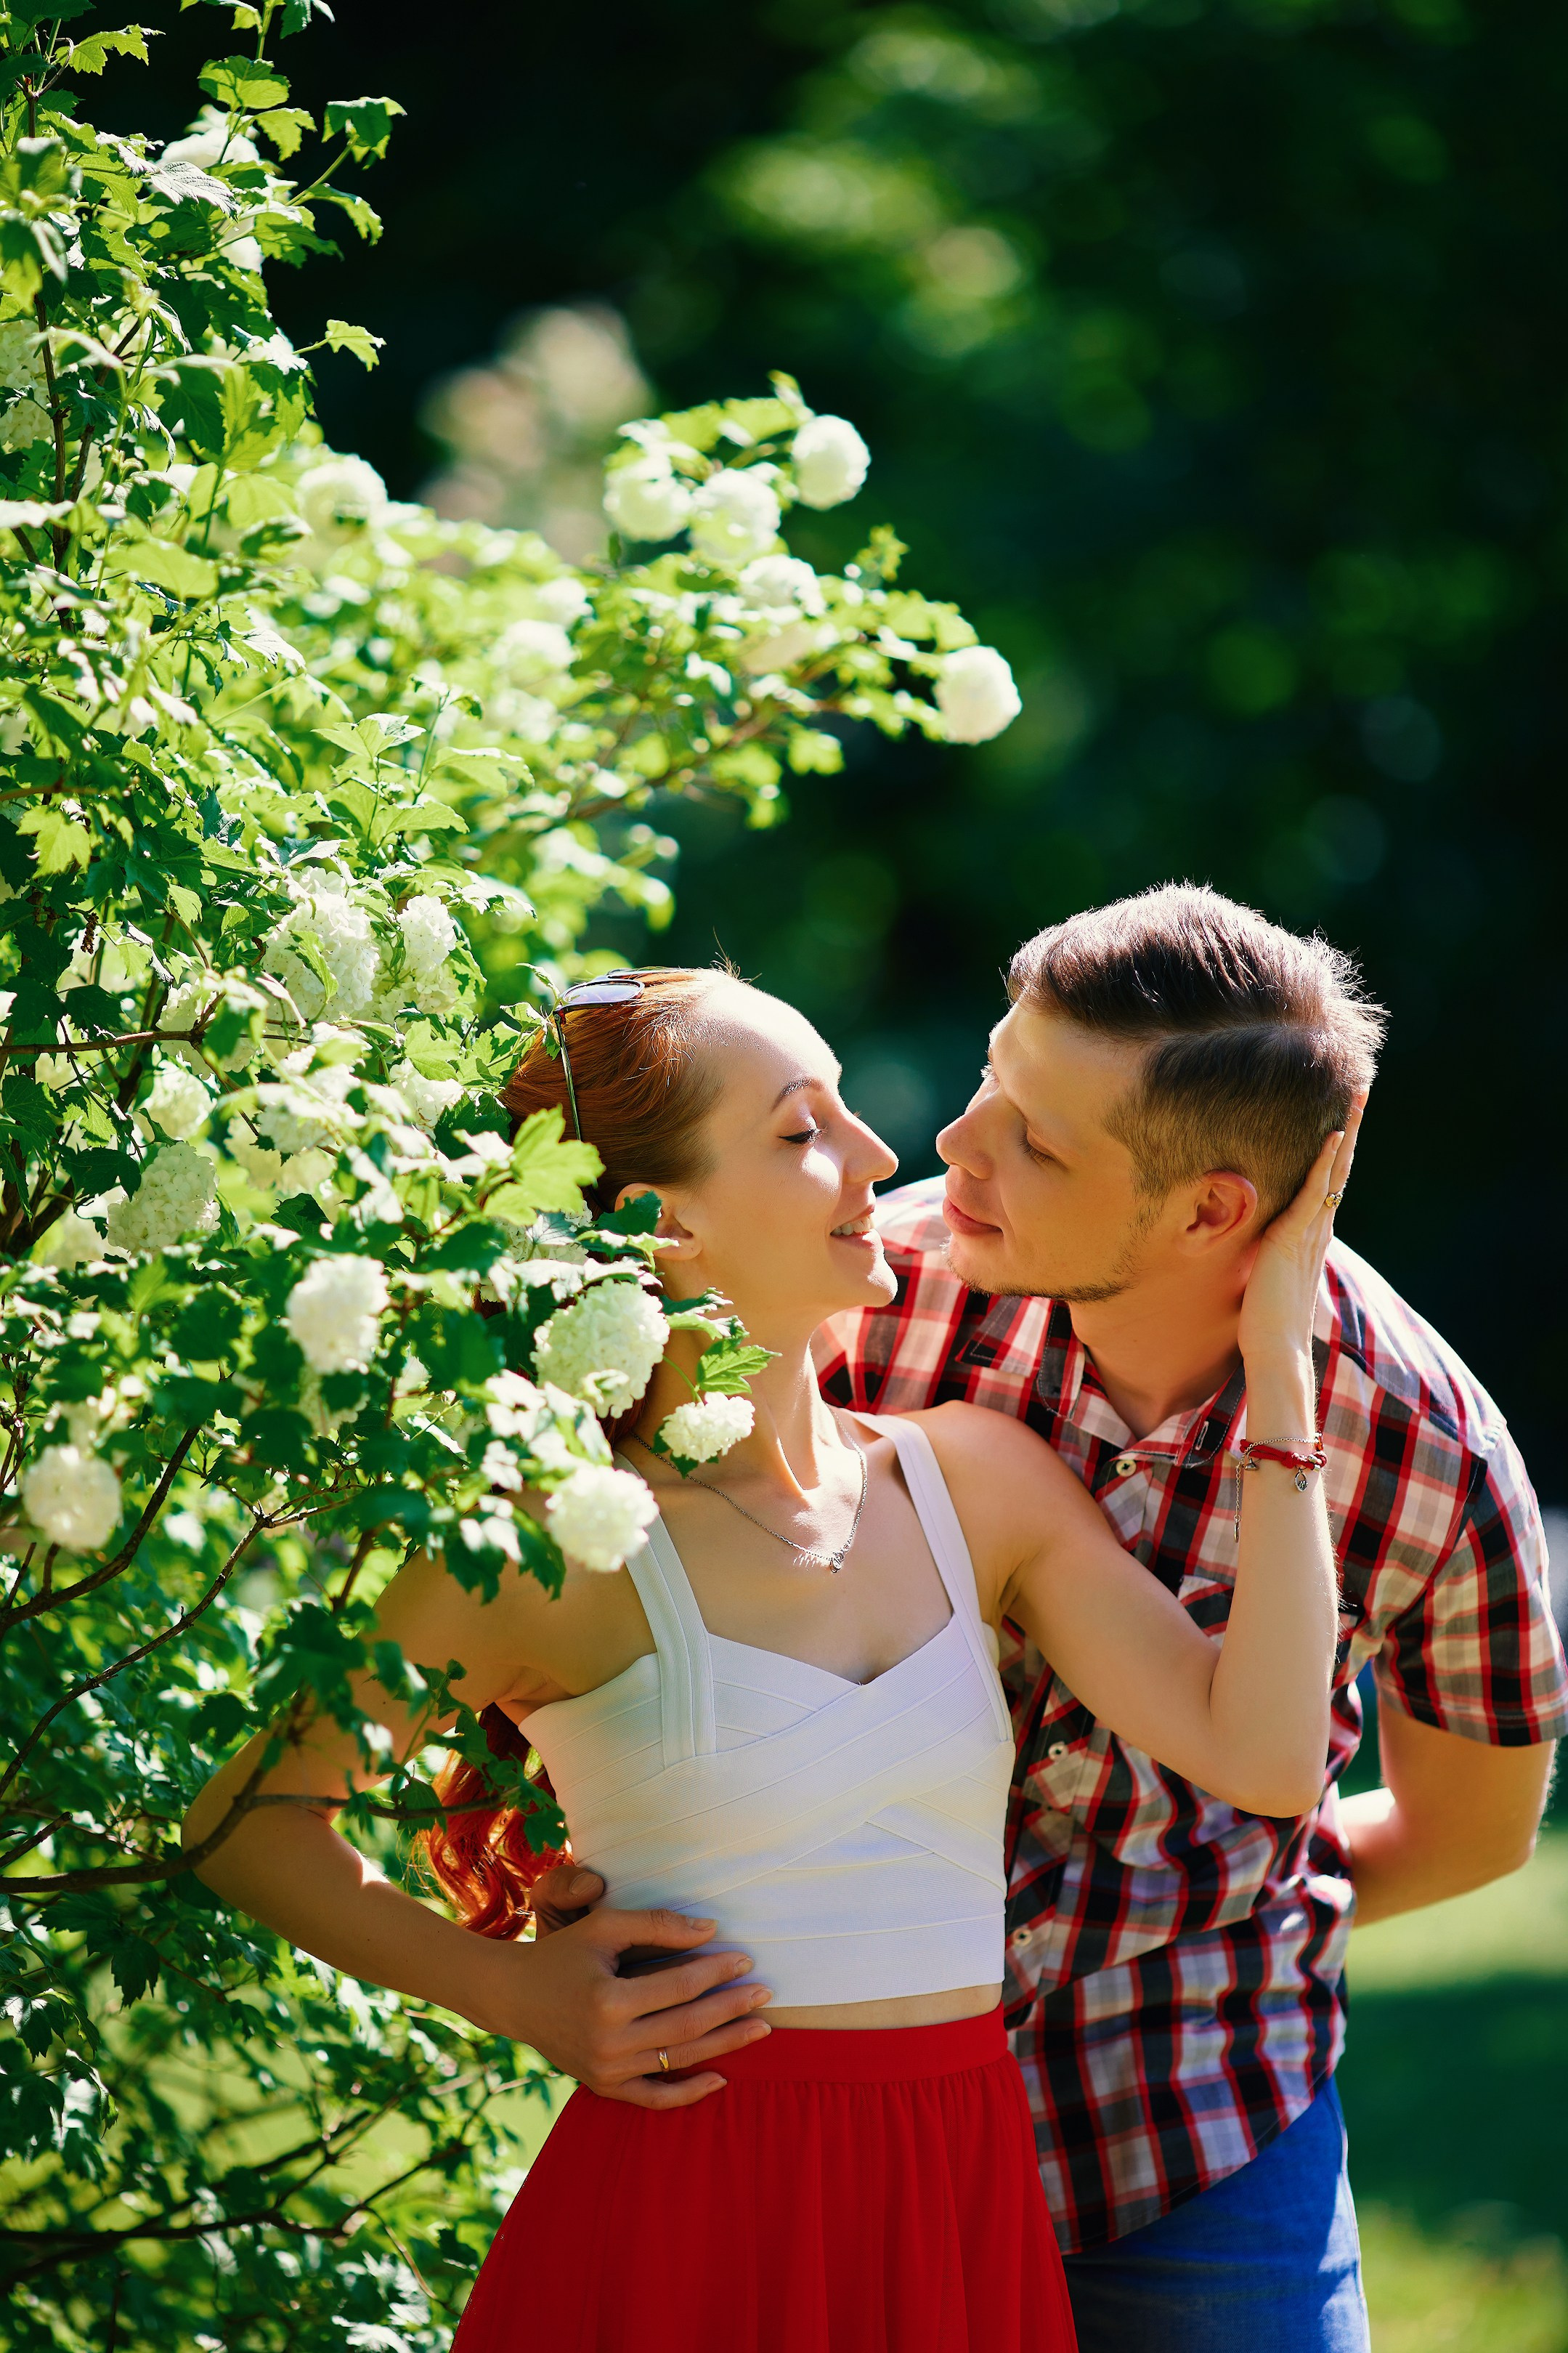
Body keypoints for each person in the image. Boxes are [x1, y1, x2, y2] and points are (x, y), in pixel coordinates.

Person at [185, 961, 1351, 2353]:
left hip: (954, 2202)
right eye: (804, 1130)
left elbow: (1266, 1756)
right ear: (663, 1225)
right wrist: (513, 1993)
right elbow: (249, 1822)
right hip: (689, 2213)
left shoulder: (973, 1484)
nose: (878, 1157)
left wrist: (1281, 1372)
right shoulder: (554, 1539)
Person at [537, 887, 1567, 2353]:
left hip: (1192, 2119)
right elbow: (617, 1570)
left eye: (1037, 1139)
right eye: (990, 1081)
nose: (953, 1146)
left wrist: (1220, 1906)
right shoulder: (861, 1301)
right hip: (823, 2122)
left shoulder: (1424, 1450)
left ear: (1210, 1210)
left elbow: (1470, 1831)